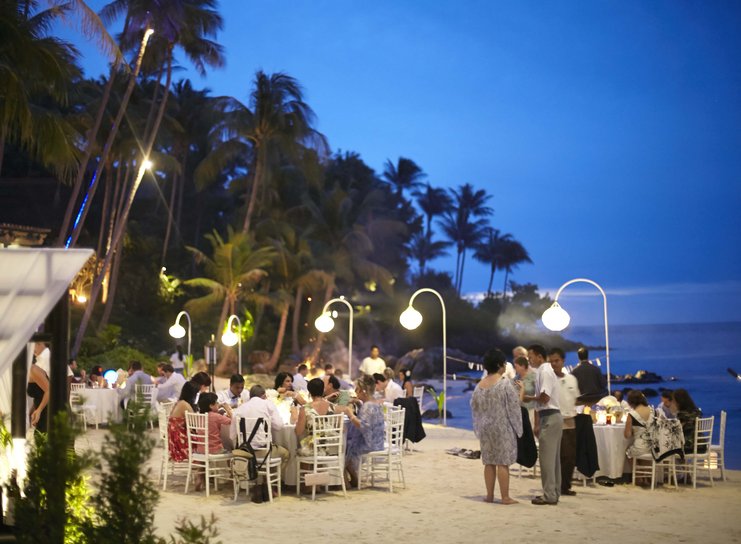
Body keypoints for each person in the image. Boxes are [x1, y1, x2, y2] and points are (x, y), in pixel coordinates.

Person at [470, 348, 522, 504]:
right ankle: (505, 497)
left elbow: (474, 406)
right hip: (502, 426)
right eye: (504, 363)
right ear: (500, 365)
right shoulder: (505, 384)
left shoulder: (480, 385)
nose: (506, 366)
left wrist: (479, 424)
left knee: (489, 461)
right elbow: (514, 406)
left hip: (486, 427)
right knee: (502, 462)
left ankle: (489, 495)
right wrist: (518, 428)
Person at [526, 344, 562, 505]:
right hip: (551, 416)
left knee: (547, 459)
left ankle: (549, 495)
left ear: (539, 356)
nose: (529, 359)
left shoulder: (545, 371)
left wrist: (528, 398)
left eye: (530, 356)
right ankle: (554, 493)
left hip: (550, 416)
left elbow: (545, 398)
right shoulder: (544, 371)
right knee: (553, 459)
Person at [231, 385, 291, 473]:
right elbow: (279, 426)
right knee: (286, 454)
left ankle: (259, 481)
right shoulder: (268, 404)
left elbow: (231, 436)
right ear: (263, 395)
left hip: (244, 451)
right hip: (264, 452)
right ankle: (270, 481)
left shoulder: (239, 409)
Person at [343, 374, 384, 488]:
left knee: (343, 447)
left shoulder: (367, 406)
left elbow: (363, 426)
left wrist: (350, 414)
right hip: (378, 441)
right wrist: (357, 403)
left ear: (363, 390)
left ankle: (344, 482)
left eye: (357, 389)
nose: (355, 391)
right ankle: (354, 478)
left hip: (369, 444)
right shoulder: (373, 402)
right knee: (348, 443)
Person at [549, 347, 580, 497]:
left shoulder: (571, 379)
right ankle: (554, 486)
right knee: (555, 457)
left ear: (563, 361)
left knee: (570, 457)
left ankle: (565, 486)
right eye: (552, 361)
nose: (554, 364)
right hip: (553, 421)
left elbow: (576, 399)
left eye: (557, 360)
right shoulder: (547, 380)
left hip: (570, 420)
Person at [295, 378, 335, 456]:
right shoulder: (332, 406)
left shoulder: (305, 408)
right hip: (331, 446)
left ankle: (309, 468)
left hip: (313, 448)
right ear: (323, 390)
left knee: (298, 450)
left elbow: (299, 432)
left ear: (309, 392)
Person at [168, 381, 199, 463]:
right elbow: (195, 423)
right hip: (180, 442)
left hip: (173, 440)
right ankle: (203, 469)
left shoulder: (179, 402)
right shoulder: (185, 405)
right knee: (206, 440)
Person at [624, 390, 655, 458]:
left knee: (628, 452)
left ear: (630, 402)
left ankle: (635, 468)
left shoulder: (632, 415)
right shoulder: (654, 411)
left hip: (641, 447)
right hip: (655, 447)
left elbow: (627, 435)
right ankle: (646, 468)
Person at [671, 389, 702, 453]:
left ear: (678, 402)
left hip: (689, 447)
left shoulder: (682, 415)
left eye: (674, 401)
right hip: (701, 445)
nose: (673, 403)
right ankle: (682, 463)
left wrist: (674, 412)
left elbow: (677, 432)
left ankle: (679, 463)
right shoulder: (697, 412)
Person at [27, 342, 50, 429]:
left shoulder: (33, 369)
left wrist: (39, 410)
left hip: (47, 411)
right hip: (41, 410)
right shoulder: (33, 367)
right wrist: (34, 409)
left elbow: (49, 390)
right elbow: (39, 392)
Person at [513, 356, 536, 428]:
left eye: (516, 366)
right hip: (519, 411)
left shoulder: (534, 377)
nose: (515, 369)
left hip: (531, 409)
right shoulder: (515, 379)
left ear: (522, 366)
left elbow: (538, 394)